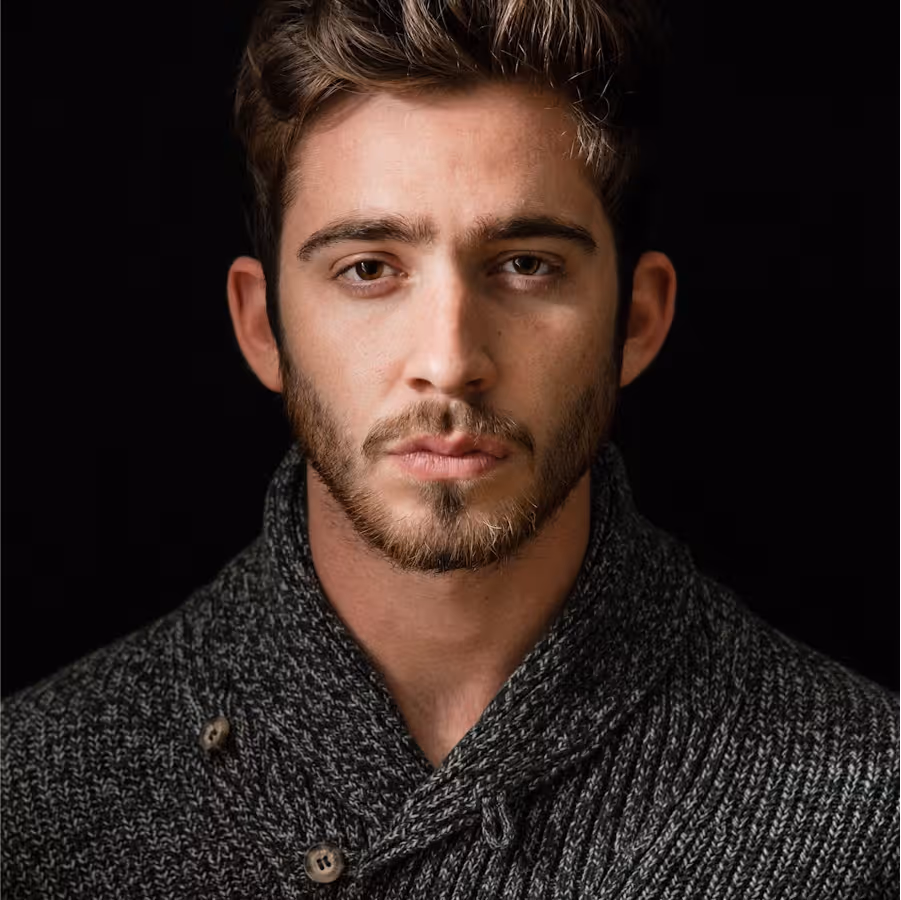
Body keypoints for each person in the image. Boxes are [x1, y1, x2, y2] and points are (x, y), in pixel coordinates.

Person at [2, 0, 897, 896]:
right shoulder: (32, 799)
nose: (449, 361)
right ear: (262, 325)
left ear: (636, 318)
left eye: (525, 264)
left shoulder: (867, 808)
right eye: (368, 269)